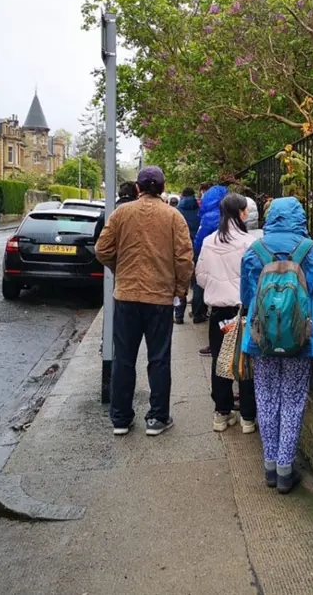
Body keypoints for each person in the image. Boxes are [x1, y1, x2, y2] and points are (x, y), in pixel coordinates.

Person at [240, 197, 313, 494]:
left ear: (271, 216)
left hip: (261, 339)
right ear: (299, 217)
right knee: (292, 399)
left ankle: (268, 465)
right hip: (300, 337)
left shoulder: (255, 249)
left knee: (265, 397)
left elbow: (246, 296)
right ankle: (284, 469)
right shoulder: (309, 249)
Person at [96, 165, 193, 437]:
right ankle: (157, 418)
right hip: (160, 298)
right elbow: (184, 259)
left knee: (124, 358)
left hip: (126, 296)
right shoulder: (174, 217)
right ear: (162, 189)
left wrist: (120, 268)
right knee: (159, 358)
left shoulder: (120, 214)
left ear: (138, 188)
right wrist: (179, 290)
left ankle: (121, 419)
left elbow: (102, 249)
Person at [195, 193, 257, 433]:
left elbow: (200, 276)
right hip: (243, 311)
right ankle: (248, 418)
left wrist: (215, 287)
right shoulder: (249, 243)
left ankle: (222, 413)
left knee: (220, 361)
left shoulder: (209, 241)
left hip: (219, 312)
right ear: (241, 212)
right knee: (246, 362)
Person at [193, 184, 228, 354]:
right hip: (230, 264)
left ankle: (215, 345)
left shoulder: (207, 218)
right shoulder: (229, 215)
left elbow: (199, 242)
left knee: (217, 306)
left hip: (213, 263)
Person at [174, 187, 201, 324]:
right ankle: (197, 314)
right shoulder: (200, 211)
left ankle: (179, 315)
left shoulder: (177, 212)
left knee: (180, 282)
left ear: (182, 196)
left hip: (182, 249)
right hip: (198, 248)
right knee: (197, 283)